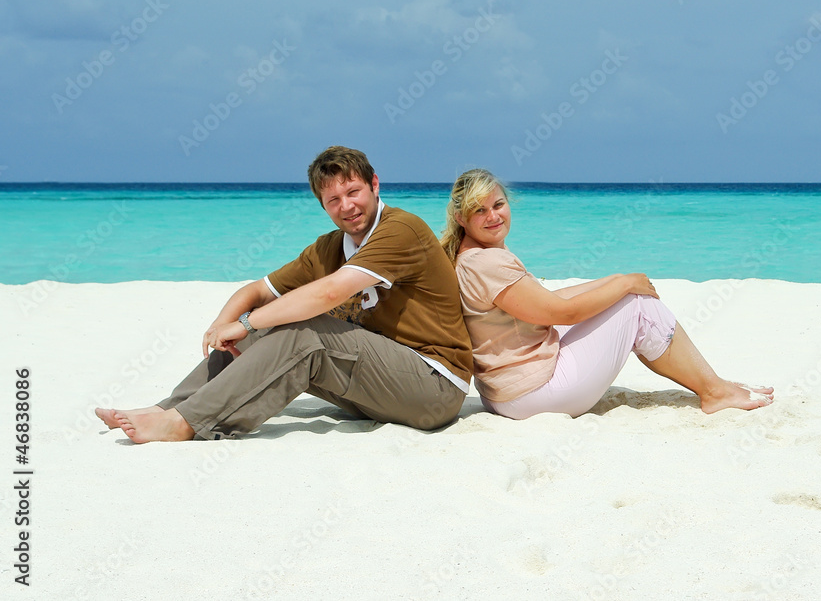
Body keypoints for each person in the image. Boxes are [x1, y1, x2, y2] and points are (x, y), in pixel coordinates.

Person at [96, 146, 474, 443]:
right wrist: (223, 324)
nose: (347, 207)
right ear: (323, 206)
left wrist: (246, 323)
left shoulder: (401, 229)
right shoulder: (329, 248)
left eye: (354, 192)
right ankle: (167, 409)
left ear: (374, 184)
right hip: (382, 387)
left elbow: (327, 294)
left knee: (303, 329)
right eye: (333, 200)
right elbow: (257, 290)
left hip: (434, 386)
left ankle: (185, 423)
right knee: (267, 325)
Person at [440, 169, 773, 420]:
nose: (494, 215)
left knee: (620, 294)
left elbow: (542, 297)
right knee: (636, 305)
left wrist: (612, 279)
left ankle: (711, 382)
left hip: (504, 393)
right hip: (533, 395)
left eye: (498, 204)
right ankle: (714, 391)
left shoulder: (470, 256)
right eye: (480, 210)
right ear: (461, 218)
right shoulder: (486, 262)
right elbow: (563, 313)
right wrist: (625, 286)